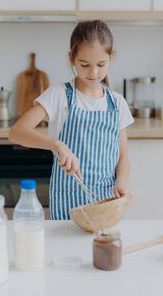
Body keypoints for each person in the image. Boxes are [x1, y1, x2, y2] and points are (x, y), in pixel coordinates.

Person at [9, 20, 134, 220]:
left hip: (106, 203)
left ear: (111, 58)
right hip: (67, 206)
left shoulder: (117, 103)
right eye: (84, 65)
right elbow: (16, 132)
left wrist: (122, 182)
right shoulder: (59, 95)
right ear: (71, 59)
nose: (93, 73)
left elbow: (123, 156)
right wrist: (57, 145)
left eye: (101, 64)